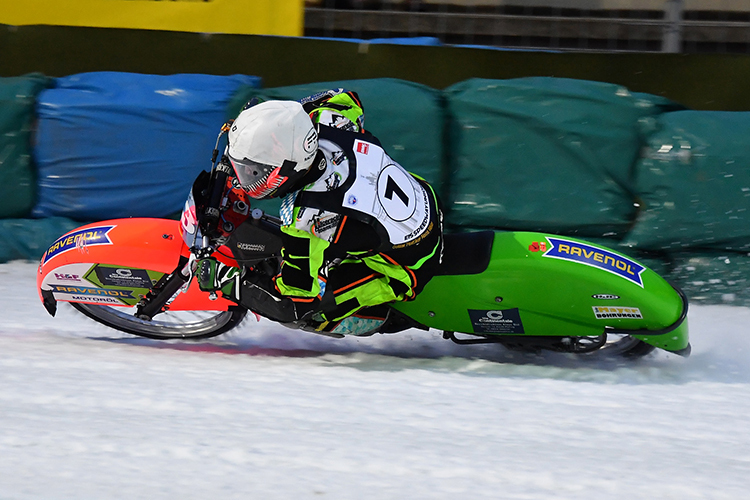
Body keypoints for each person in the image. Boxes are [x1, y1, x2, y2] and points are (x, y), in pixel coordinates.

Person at [197, 89, 443, 335]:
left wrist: (225, 281)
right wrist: (279, 117)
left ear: (287, 169)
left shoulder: (308, 218)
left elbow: (293, 302)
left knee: (311, 316)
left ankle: (375, 316)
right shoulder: (330, 121)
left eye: (254, 171)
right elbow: (347, 97)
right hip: (424, 198)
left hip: (410, 266)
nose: (245, 178)